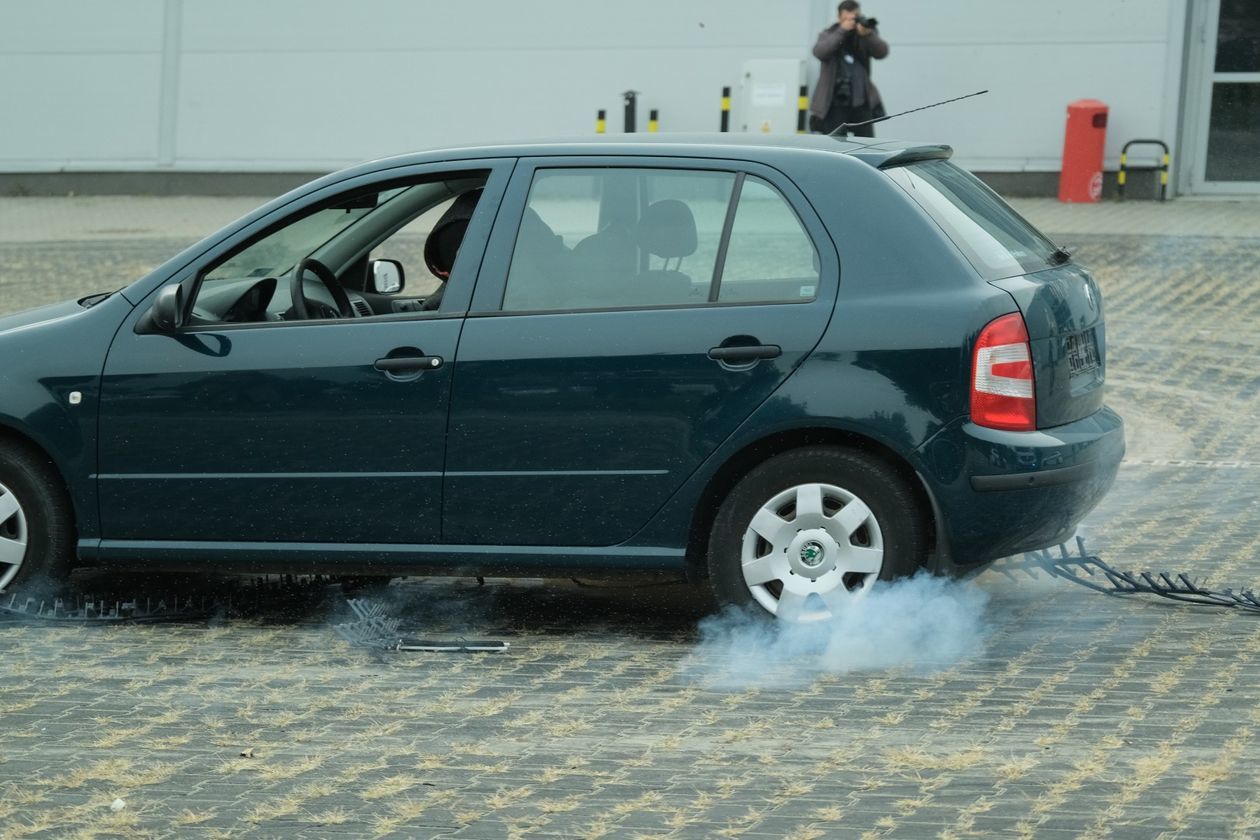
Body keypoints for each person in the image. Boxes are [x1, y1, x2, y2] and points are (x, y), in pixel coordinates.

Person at [810, 1, 889, 137]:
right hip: (833, 102)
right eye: (847, 18)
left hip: (860, 101)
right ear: (839, 17)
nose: (852, 21)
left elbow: (882, 52)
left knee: (866, 145)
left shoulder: (864, 35)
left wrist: (868, 35)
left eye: (855, 16)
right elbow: (819, 52)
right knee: (834, 145)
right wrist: (842, 30)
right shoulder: (829, 33)